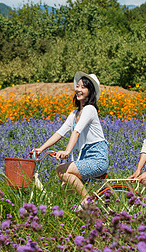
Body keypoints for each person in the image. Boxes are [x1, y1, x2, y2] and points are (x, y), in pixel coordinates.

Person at [34, 71, 109, 207]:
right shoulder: (74, 113)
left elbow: (76, 131)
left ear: (90, 91)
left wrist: (67, 152)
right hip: (84, 159)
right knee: (63, 194)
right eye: (77, 86)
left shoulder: (90, 109)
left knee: (61, 170)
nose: (78, 90)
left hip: (97, 159)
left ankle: (87, 203)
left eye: (83, 87)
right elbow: (59, 133)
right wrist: (41, 149)